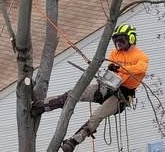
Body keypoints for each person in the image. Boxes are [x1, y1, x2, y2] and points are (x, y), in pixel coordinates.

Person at [31, 23, 149, 152]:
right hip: (107, 86)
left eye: (121, 40)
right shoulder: (115, 53)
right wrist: (110, 69)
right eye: (116, 41)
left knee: (96, 116)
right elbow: (111, 72)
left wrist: (121, 68)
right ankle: (43, 105)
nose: (118, 44)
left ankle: (73, 141)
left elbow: (141, 68)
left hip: (122, 95)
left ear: (131, 39)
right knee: (75, 93)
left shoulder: (140, 56)